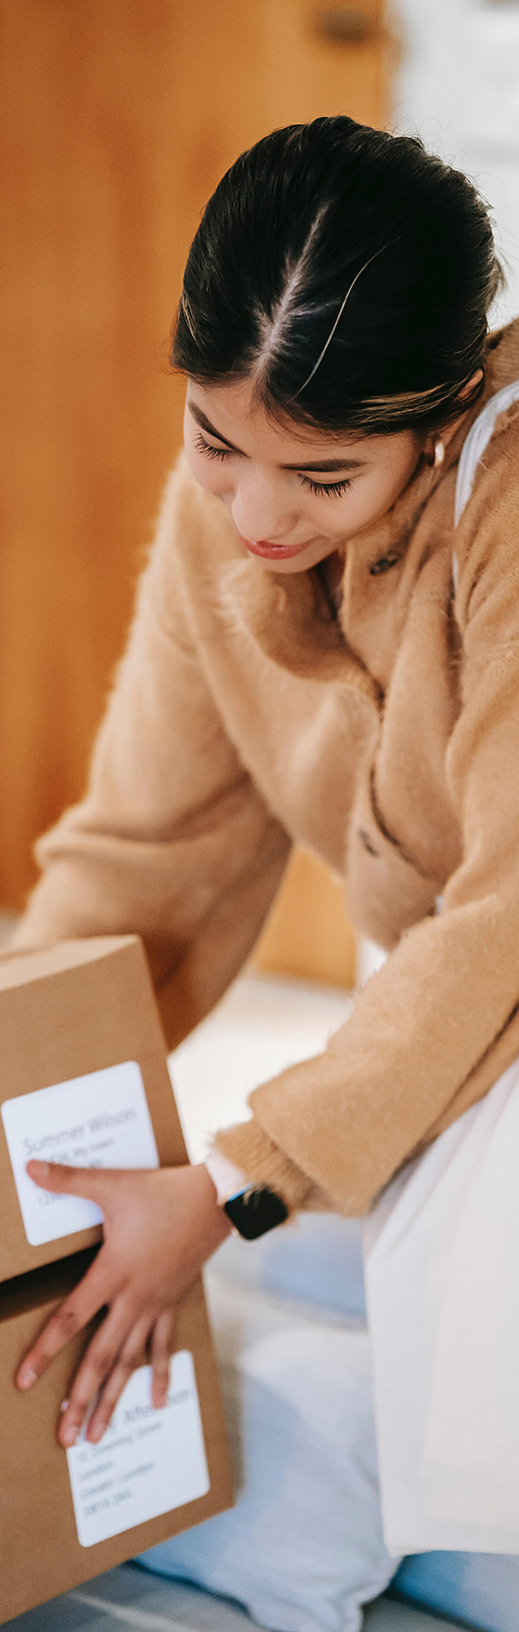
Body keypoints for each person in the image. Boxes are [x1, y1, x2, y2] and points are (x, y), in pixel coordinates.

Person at [13, 117, 519, 1469]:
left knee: (446, 1470)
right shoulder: (230, 513)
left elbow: (506, 919)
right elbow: (144, 853)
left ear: (448, 410)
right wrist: (18, 1098)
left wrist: (241, 1184)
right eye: (214, 442)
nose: (255, 517)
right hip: (457, 998)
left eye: (323, 477)